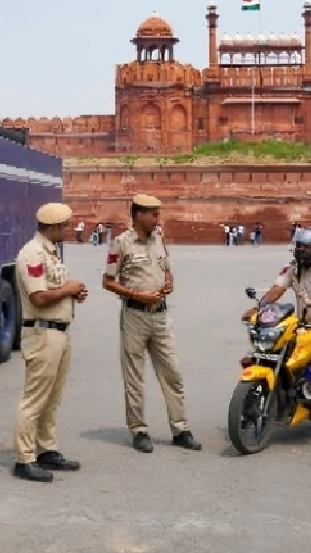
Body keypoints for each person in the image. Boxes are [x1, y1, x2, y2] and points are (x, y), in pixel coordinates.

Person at [102, 193, 202, 453]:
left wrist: (169, 281)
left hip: (160, 315)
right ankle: (139, 430)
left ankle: (180, 428)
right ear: (137, 215)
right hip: (135, 316)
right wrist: (136, 294)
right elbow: (108, 281)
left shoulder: (159, 238)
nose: (158, 218)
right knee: (134, 376)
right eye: (153, 214)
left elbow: (167, 268)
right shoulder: (121, 243)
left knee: (173, 373)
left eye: (158, 213)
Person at [12, 202, 88, 482]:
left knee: (51, 399)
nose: (68, 229)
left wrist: (71, 294)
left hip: (57, 332)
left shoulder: (51, 253)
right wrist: (67, 289)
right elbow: (38, 297)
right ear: (53, 227)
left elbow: (53, 289)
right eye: (64, 225)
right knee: (34, 399)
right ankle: (25, 458)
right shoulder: (32, 254)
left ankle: (47, 449)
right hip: (42, 333)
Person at [258, 227, 311, 418]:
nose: (300, 250)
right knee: (278, 344)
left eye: (305, 247)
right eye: (299, 246)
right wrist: (260, 307)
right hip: (303, 324)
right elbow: (277, 289)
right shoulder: (292, 267)